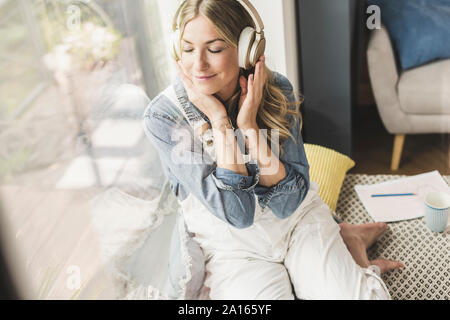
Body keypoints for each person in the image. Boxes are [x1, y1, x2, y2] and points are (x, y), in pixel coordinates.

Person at [143, 0, 404, 300]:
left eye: (214, 49)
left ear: (246, 49)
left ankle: (351, 244)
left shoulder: (275, 88)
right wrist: (219, 122)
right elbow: (237, 213)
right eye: (188, 49)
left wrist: (250, 128)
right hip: (234, 249)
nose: (197, 64)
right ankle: (345, 240)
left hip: (296, 224)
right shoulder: (165, 118)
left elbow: (287, 204)